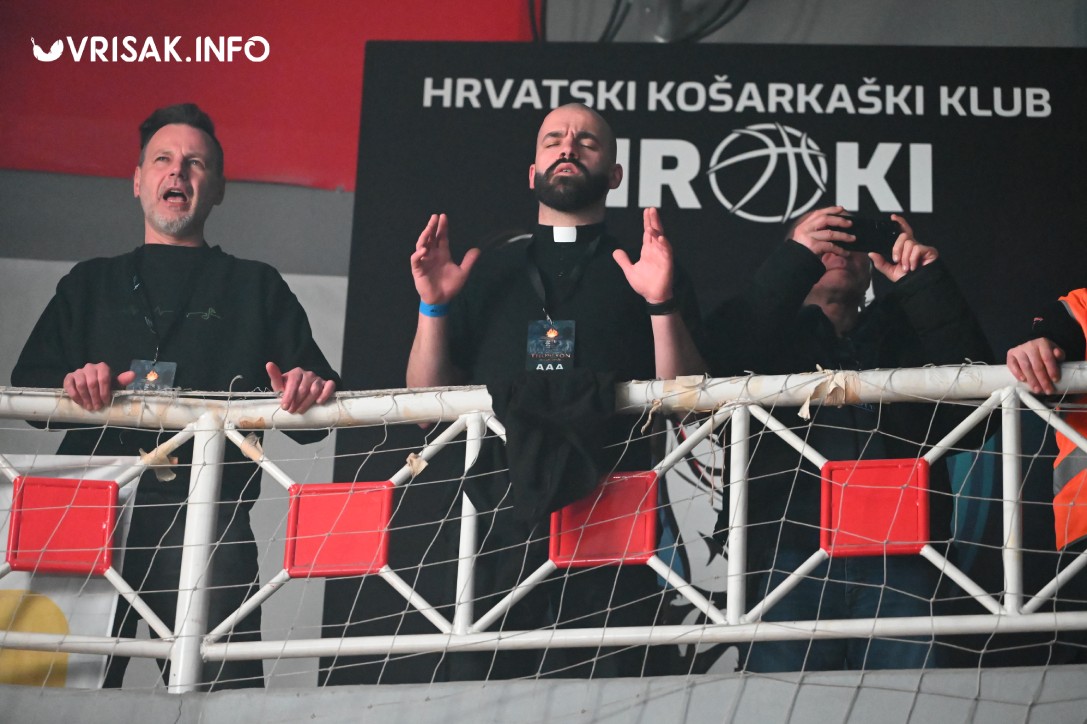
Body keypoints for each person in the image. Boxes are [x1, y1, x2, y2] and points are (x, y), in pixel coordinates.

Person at [11, 103, 340, 689]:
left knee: (218, 702)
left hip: (209, 521)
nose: (177, 172)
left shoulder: (257, 286)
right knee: (55, 698)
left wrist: (305, 389)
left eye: (196, 163)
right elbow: (29, 388)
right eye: (163, 159)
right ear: (138, 180)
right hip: (87, 516)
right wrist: (71, 384)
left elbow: (320, 410)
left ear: (218, 188)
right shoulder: (88, 282)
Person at [405, 103, 704, 679]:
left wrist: (660, 302)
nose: (568, 147)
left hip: (617, 527)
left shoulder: (645, 266)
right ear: (532, 172)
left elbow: (684, 399)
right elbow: (424, 407)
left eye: (587, 141)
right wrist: (433, 306)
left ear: (615, 174)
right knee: (489, 699)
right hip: (500, 527)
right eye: (553, 140)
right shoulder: (488, 270)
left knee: (618, 695)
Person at [703, 205, 992, 672]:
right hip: (784, 555)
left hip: (906, 554)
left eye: (851, 240)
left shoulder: (903, 328)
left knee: (913, 703)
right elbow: (716, 362)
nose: (839, 249)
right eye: (823, 239)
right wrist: (794, 261)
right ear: (794, 255)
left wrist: (921, 281)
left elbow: (980, 407)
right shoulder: (761, 335)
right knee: (780, 704)